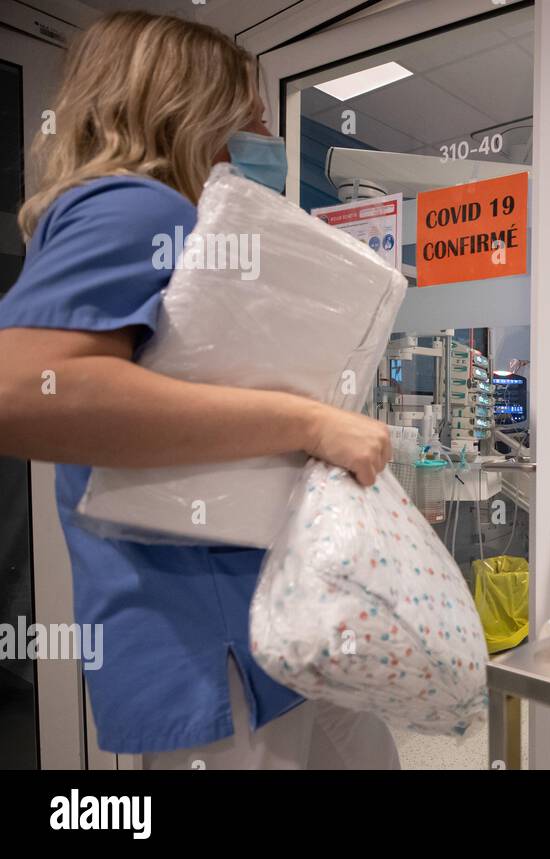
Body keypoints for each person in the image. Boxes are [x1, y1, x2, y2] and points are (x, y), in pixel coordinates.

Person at [0, 12, 399, 768]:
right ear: (187, 106)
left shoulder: (178, 224)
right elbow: (22, 390)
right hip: (211, 636)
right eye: (245, 112)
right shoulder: (137, 206)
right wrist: (310, 422)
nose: (261, 132)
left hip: (264, 619)